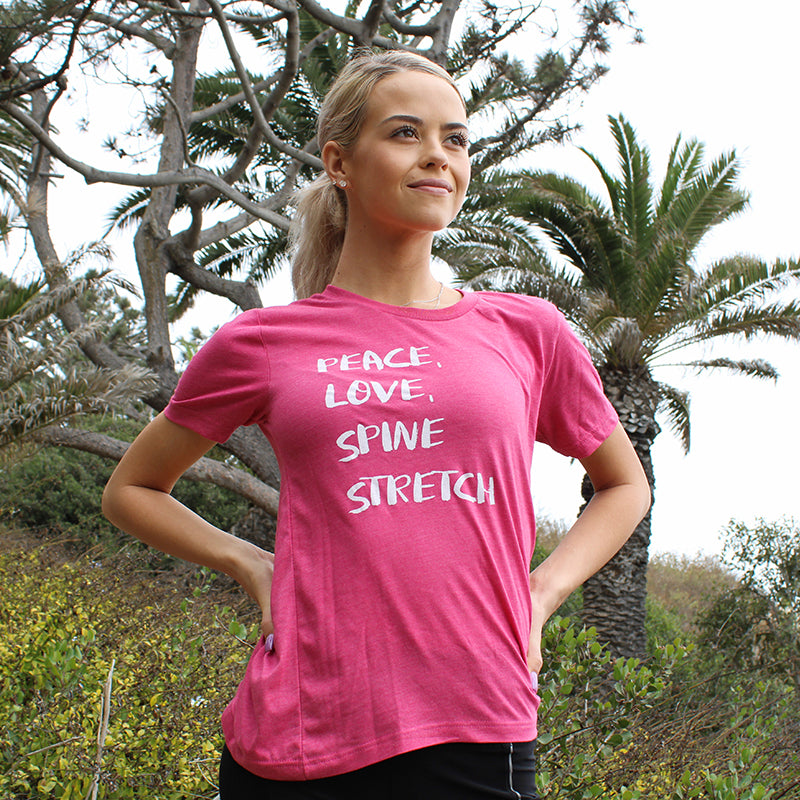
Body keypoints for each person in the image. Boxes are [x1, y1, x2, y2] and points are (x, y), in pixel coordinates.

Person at [103, 50, 650, 800]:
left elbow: (624, 486)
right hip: (300, 733)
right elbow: (133, 487)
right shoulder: (262, 344)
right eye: (404, 133)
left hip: (478, 721)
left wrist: (542, 594)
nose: (437, 156)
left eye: (455, 139)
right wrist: (248, 562)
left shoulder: (527, 331)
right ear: (339, 162)